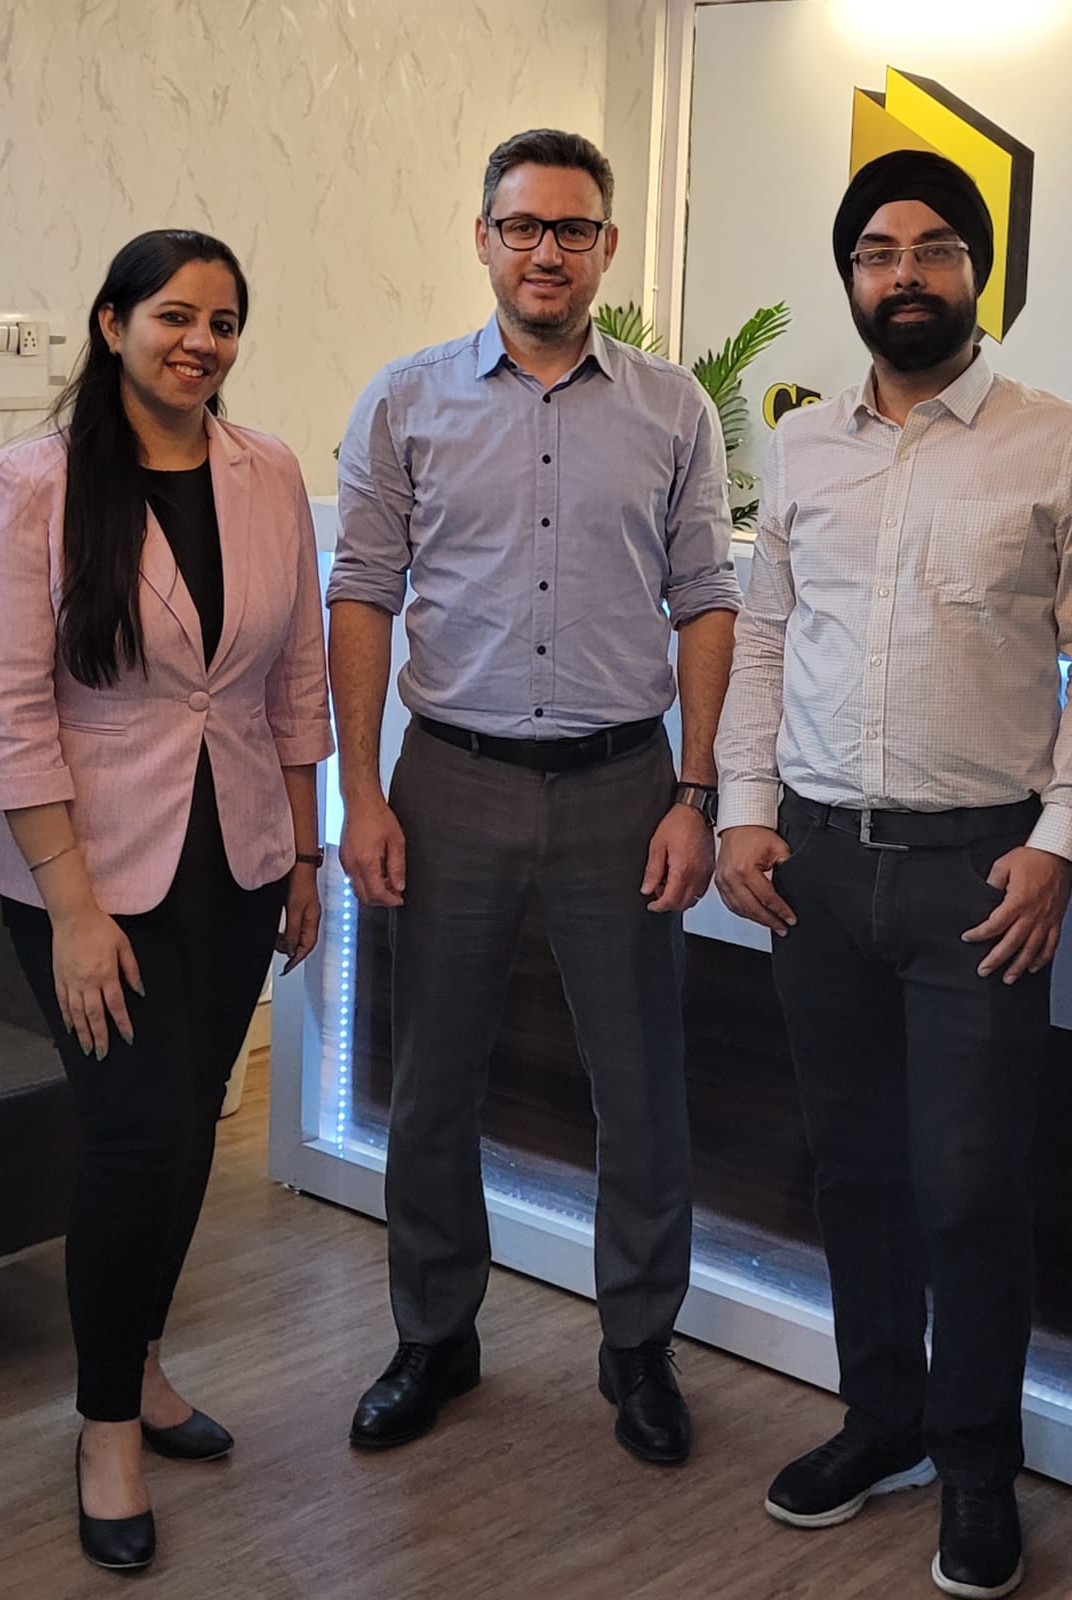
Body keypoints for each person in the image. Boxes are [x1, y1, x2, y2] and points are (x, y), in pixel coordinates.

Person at [330, 128, 738, 1465]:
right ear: (484, 239)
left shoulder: (673, 410)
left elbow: (707, 600)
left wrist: (695, 790)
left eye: (572, 229)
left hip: (625, 788)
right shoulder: (405, 402)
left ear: (606, 247)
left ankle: (638, 1347)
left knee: (641, 1088)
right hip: (449, 783)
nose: (546, 252)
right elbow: (362, 594)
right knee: (430, 1080)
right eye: (522, 227)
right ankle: (434, 1334)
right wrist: (362, 794)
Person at [715, 150, 1071, 1600]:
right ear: (851, 276)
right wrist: (743, 808)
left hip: (978, 879)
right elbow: (762, 635)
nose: (904, 274)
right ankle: (885, 1424)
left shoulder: (1053, 444)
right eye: (878, 252)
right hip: (814, 869)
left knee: (971, 1188)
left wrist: (1057, 840)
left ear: (978, 272)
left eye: (934, 249)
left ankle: (978, 1465)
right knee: (854, 1168)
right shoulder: (803, 446)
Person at [0, 228, 332, 1572]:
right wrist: (72, 913)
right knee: (134, 1139)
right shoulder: (33, 485)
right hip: (89, 876)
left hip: (234, 857)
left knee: (187, 1130)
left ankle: (143, 1356)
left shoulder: (267, 470)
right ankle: (105, 1426)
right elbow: (11, 715)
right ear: (112, 324)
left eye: (224, 323)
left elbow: (294, 674)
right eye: (176, 316)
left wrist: (305, 850)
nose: (202, 343)